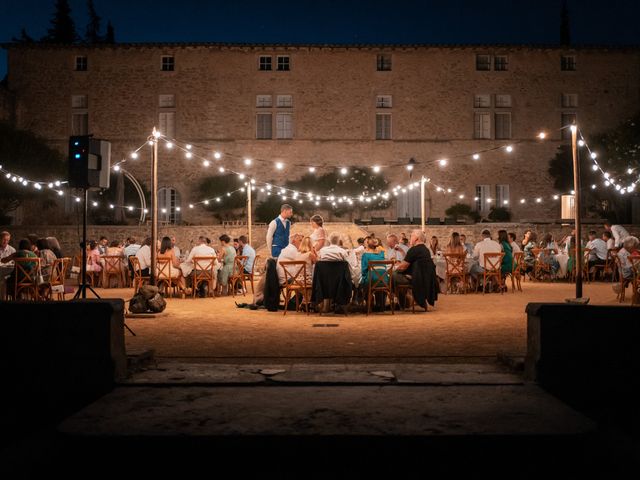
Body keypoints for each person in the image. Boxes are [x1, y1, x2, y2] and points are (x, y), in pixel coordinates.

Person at [393, 229, 438, 310]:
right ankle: (403, 302)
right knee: (396, 275)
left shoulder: (414, 249)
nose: (410, 238)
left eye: (411, 237)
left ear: (416, 239)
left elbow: (403, 266)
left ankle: (400, 303)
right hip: (425, 280)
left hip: (416, 280)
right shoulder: (425, 250)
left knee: (393, 276)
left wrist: (394, 267)